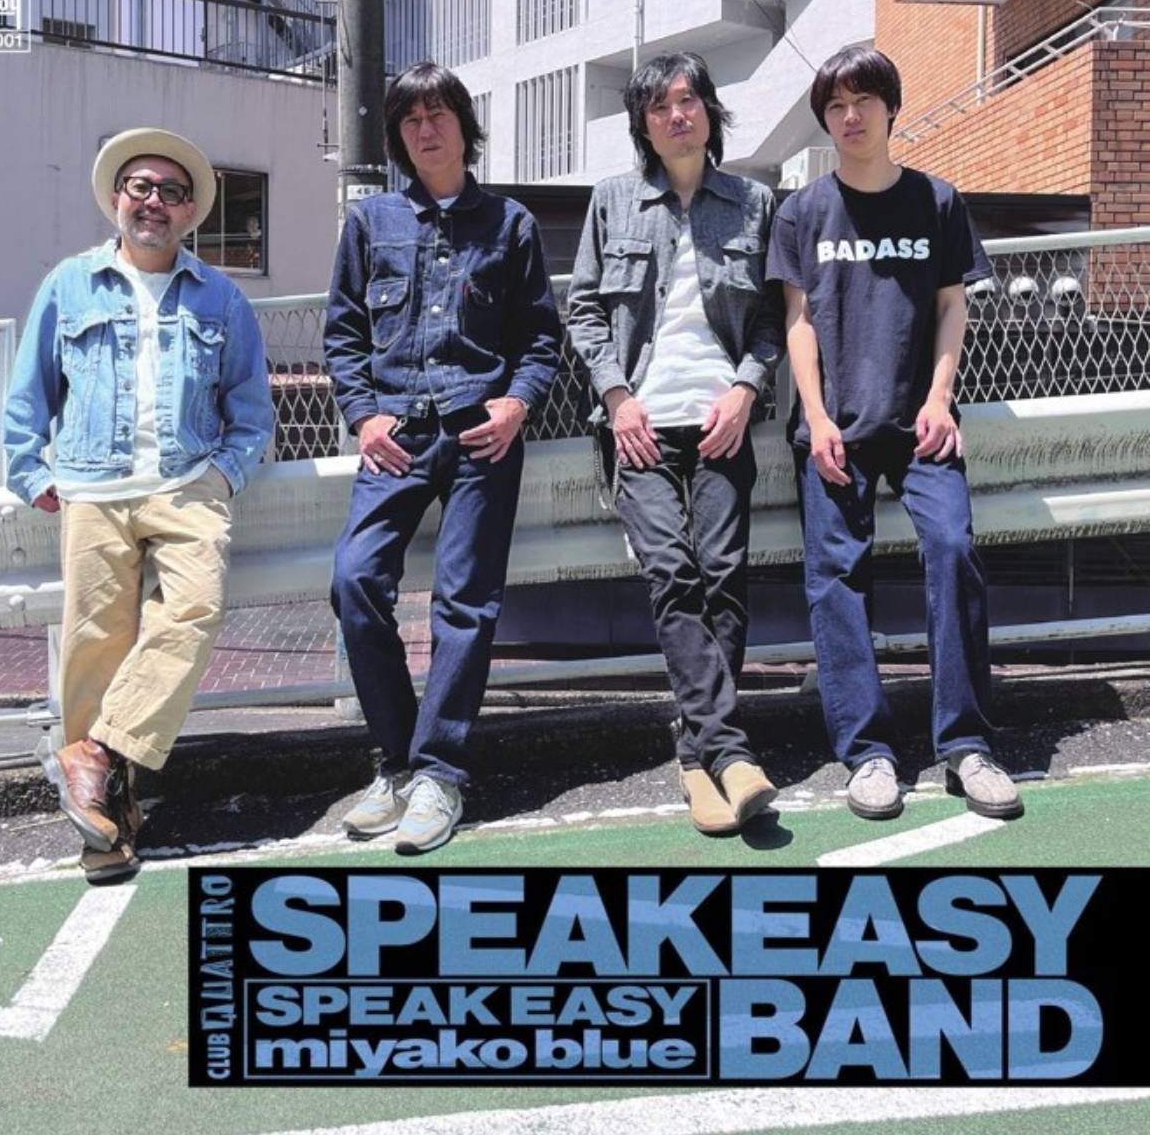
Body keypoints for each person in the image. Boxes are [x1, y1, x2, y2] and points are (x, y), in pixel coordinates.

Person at [4, 127, 275, 878]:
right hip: (93, 487)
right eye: (141, 187)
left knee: (193, 611)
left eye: (171, 192)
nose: (154, 201)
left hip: (187, 484)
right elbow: (28, 393)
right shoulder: (70, 285)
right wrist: (29, 472)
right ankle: (107, 828)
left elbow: (251, 409)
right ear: (117, 199)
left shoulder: (222, 297)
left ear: (190, 212)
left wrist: (222, 475)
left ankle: (91, 754)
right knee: (95, 646)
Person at [766, 45, 1023, 821]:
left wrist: (941, 399)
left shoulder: (936, 201)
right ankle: (869, 754)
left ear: (890, 108)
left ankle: (967, 746)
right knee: (836, 578)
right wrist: (815, 417)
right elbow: (798, 322)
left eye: (863, 101)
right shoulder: (802, 211)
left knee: (951, 550)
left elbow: (952, 306)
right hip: (834, 427)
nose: (850, 117)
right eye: (836, 106)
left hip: (921, 424)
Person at [325, 62, 562, 855]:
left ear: (465, 125)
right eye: (410, 120)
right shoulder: (370, 223)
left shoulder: (510, 224)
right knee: (355, 580)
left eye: (438, 115)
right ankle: (397, 762)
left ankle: (439, 774)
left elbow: (539, 336)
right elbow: (343, 334)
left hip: (479, 436)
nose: (425, 130)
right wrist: (363, 416)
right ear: (399, 137)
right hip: (394, 437)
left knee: (464, 604)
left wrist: (516, 404)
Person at [567, 51, 784, 836]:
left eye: (688, 100)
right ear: (644, 125)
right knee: (672, 570)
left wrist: (746, 389)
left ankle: (697, 758)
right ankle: (729, 753)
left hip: (723, 419)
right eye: (659, 107)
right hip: (640, 428)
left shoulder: (754, 203)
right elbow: (584, 311)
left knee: (723, 575)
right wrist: (617, 397)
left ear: (709, 111)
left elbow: (771, 319)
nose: (676, 116)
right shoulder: (613, 201)